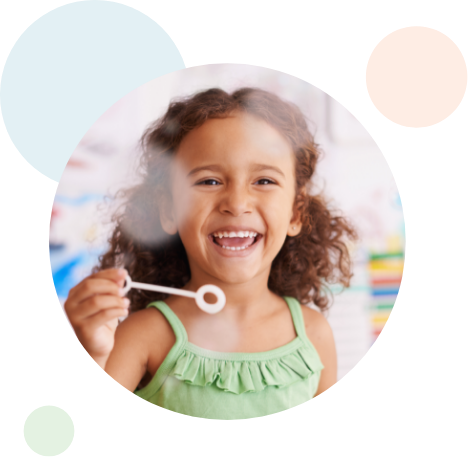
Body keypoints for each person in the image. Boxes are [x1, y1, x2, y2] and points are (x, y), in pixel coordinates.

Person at [64, 87, 359, 419]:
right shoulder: (145, 334)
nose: (236, 204)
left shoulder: (313, 333)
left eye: (263, 181)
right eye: (209, 181)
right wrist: (96, 352)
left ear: (295, 212)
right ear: (170, 210)